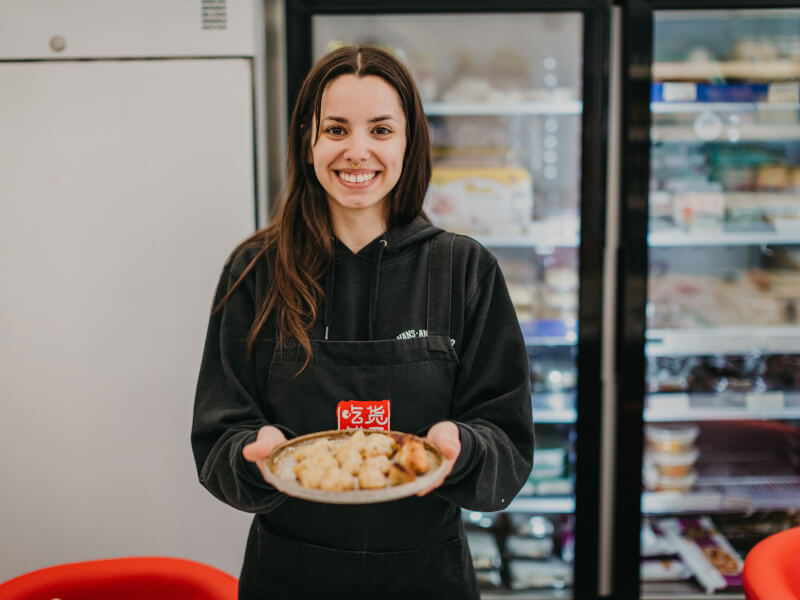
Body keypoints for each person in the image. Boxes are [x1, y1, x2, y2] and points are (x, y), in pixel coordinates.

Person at [191, 45, 533, 599]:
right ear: (308, 141)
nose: (357, 151)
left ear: (407, 143)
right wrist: (251, 457)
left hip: (428, 578)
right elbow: (218, 436)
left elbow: (508, 441)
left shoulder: (463, 268)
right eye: (336, 129)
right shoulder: (254, 272)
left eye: (380, 130)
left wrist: (463, 447)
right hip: (290, 578)